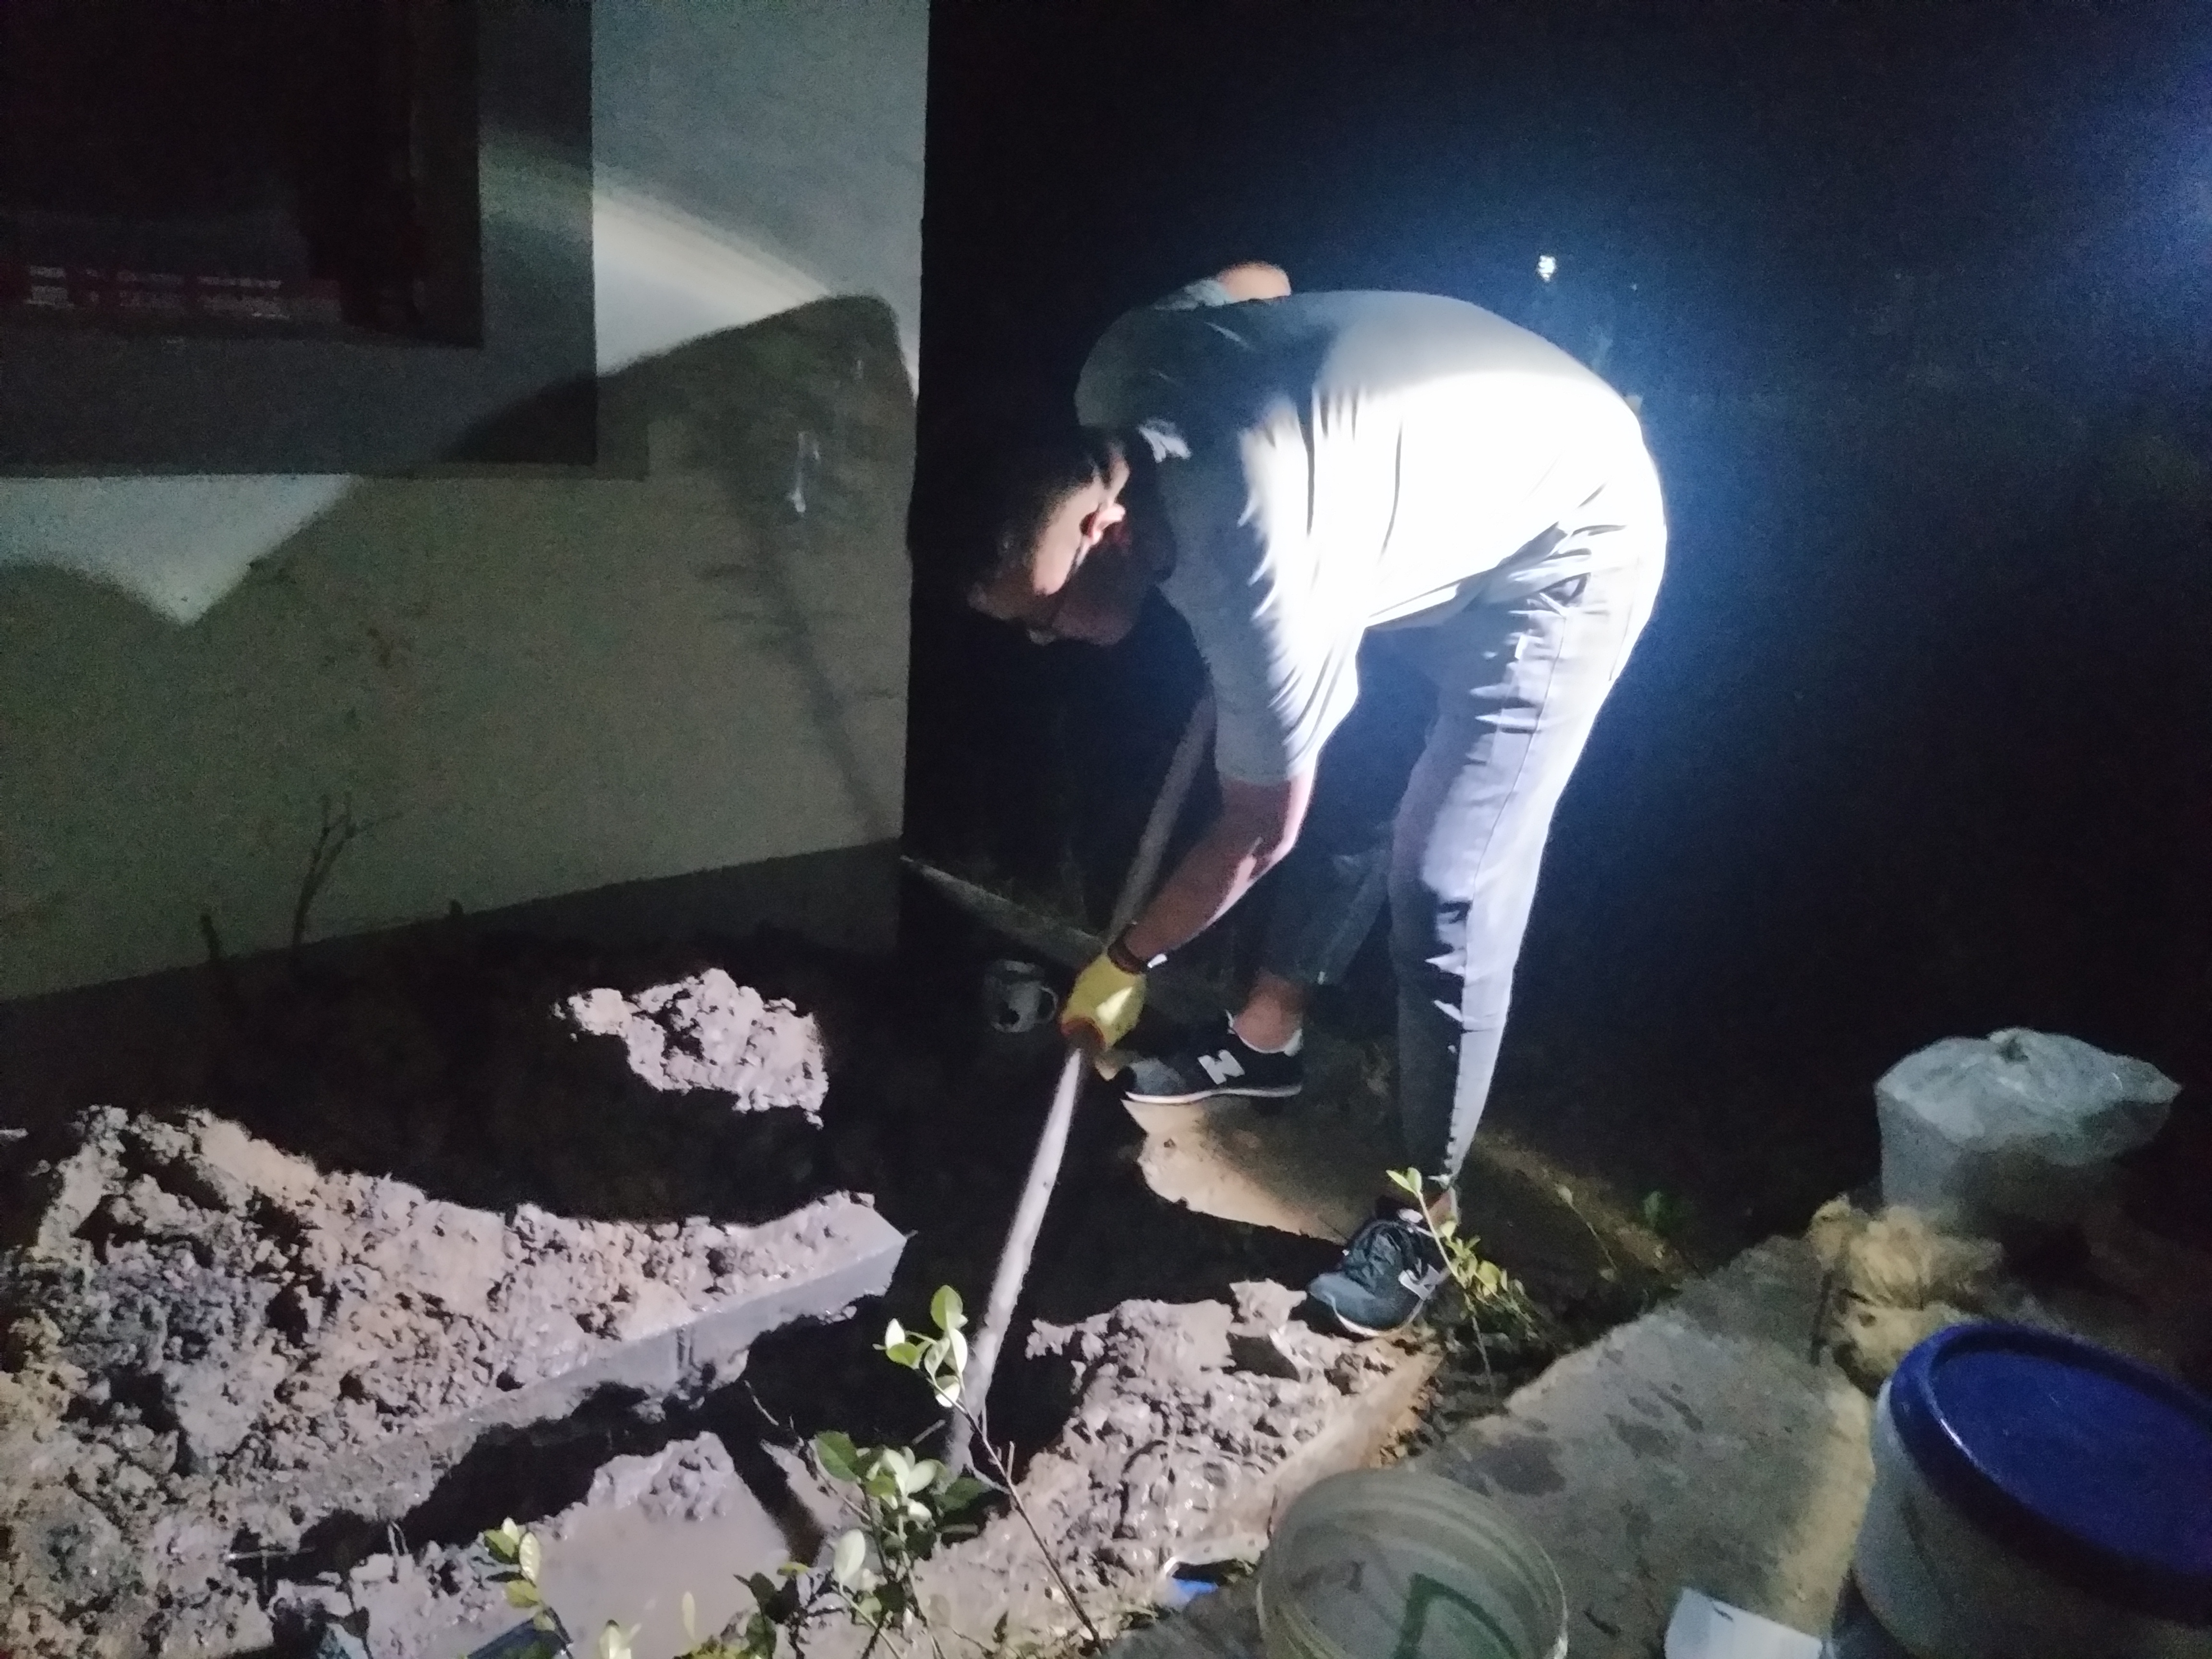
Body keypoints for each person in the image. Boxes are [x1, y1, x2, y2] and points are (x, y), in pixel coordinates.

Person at [968, 263, 1666, 1334]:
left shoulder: (1252, 571)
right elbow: (1264, 279)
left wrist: (1126, 962)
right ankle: (1265, 1043)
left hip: (1567, 540)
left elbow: (1259, 831)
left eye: (1044, 614)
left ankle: (1429, 1215)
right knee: (1341, 757)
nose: (1036, 641)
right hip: (1437, 490)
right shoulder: (1126, 364)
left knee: (1446, 884)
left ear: (1109, 530)